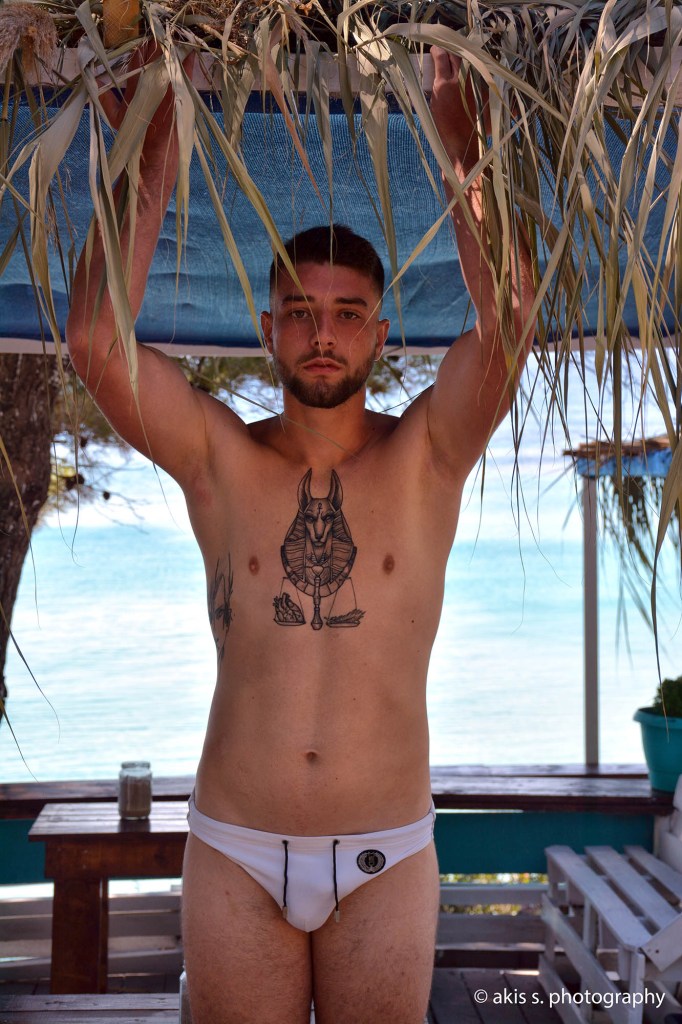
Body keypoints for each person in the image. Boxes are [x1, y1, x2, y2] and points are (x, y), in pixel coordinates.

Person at [66, 43, 535, 1024]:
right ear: (266, 324)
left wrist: (461, 138)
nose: (324, 333)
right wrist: (153, 148)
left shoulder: (427, 458)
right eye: (301, 311)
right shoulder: (220, 461)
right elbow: (95, 344)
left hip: (384, 853)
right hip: (236, 846)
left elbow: (512, 320)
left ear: (381, 332)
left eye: (348, 313)